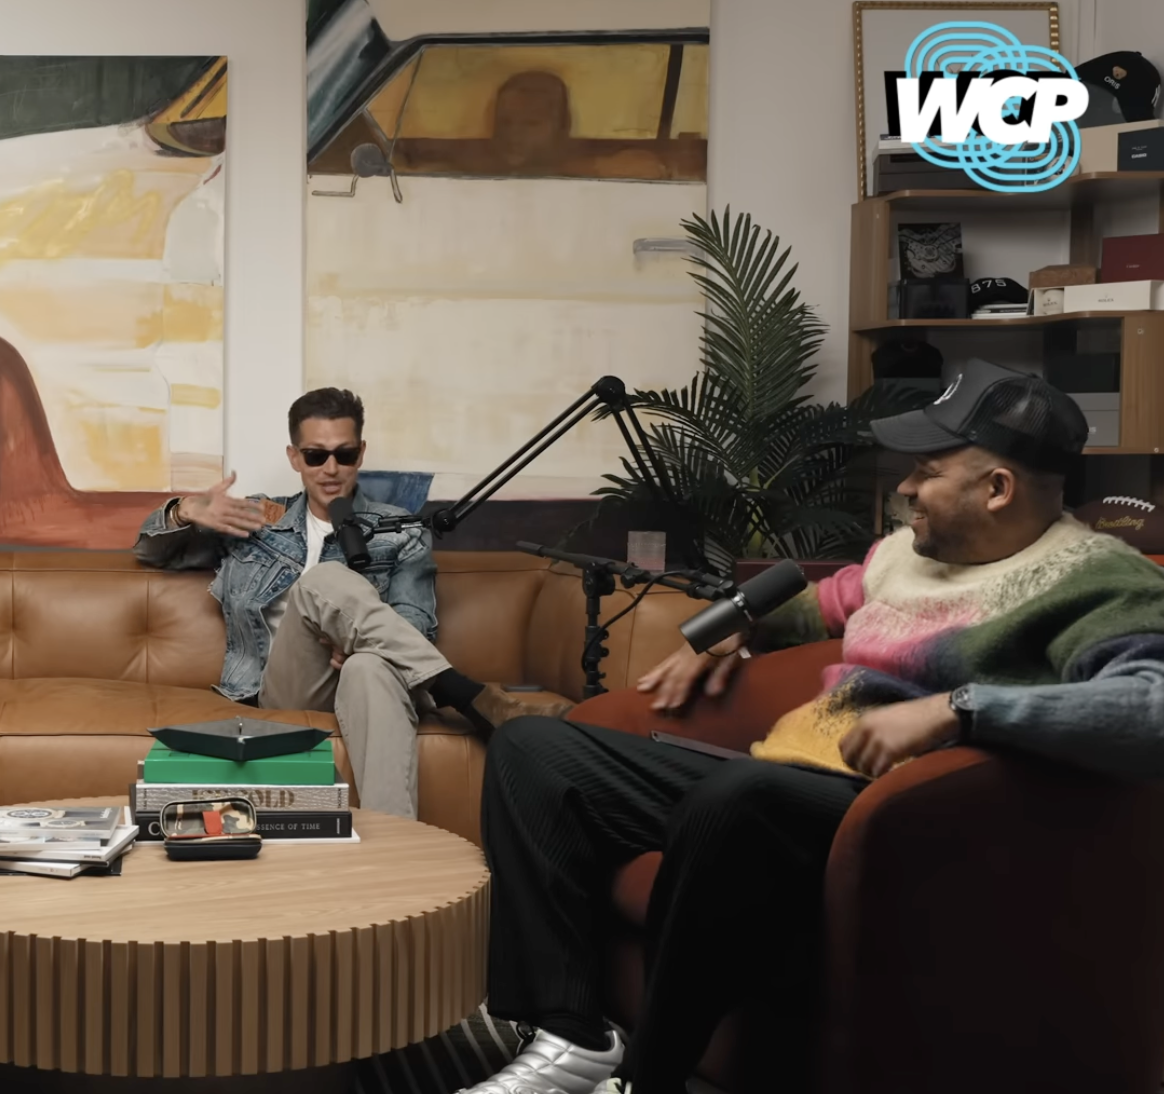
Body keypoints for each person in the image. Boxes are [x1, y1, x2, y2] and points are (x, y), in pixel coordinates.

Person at [464, 359, 1164, 1094]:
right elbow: (827, 604)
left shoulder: (1099, 581)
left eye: (926, 472)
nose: (904, 488)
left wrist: (957, 708)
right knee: (532, 748)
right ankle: (572, 1035)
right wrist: (737, 629)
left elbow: (1149, 708)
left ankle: (652, 1079)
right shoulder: (907, 554)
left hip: (896, 814)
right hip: (784, 781)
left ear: (997, 489)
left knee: (739, 798)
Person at [133, 386, 544, 819]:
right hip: (284, 689)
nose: (331, 469)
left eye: (344, 455)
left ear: (360, 453)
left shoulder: (401, 530)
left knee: (369, 666)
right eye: (316, 456)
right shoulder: (254, 519)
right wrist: (182, 510)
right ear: (294, 457)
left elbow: (414, 624)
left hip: (366, 680)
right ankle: (462, 692)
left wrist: (359, 645)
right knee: (323, 579)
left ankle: (394, 843)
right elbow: (149, 552)